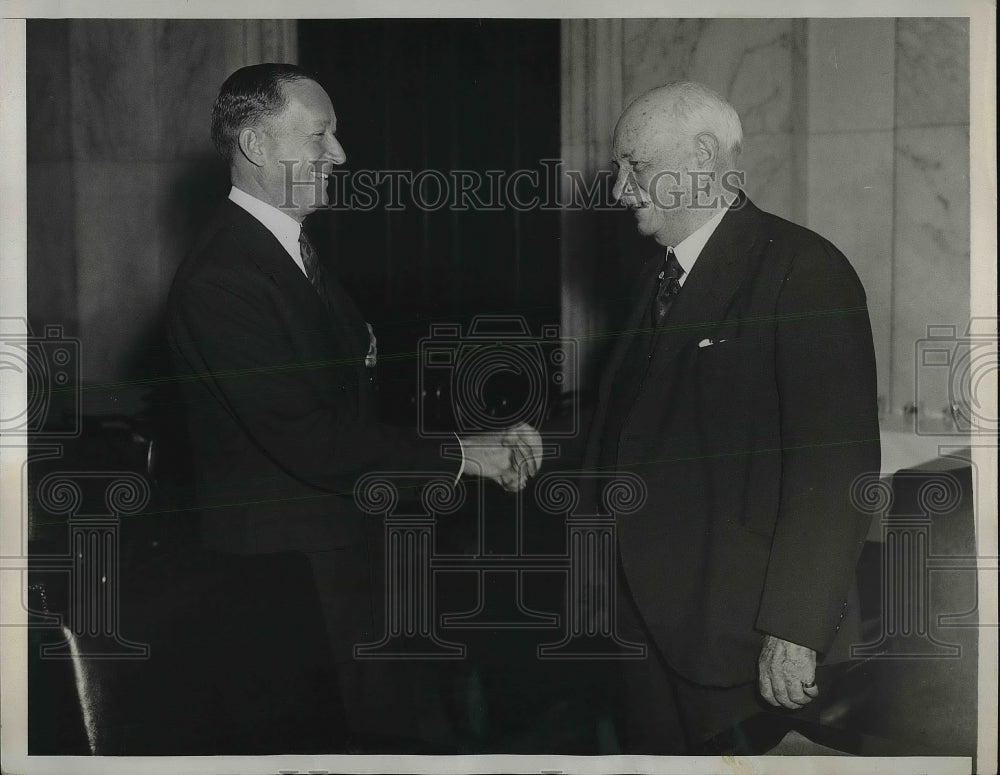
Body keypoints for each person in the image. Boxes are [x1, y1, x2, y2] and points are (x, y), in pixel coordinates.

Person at [166, 63, 541, 749]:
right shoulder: (224, 277)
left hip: (339, 570)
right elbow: (311, 438)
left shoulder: (292, 256)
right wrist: (463, 454)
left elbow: (344, 404)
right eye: (320, 135)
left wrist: (468, 437)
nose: (338, 154)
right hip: (284, 591)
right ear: (255, 145)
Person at [585, 81, 880, 753]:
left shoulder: (803, 270)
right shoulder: (651, 277)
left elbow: (836, 468)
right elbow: (632, 430)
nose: (622, 190)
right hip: (645, 629)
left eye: (638, 166)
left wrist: (796, 628)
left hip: (745, 640)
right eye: (618, 169)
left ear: (703, 157)